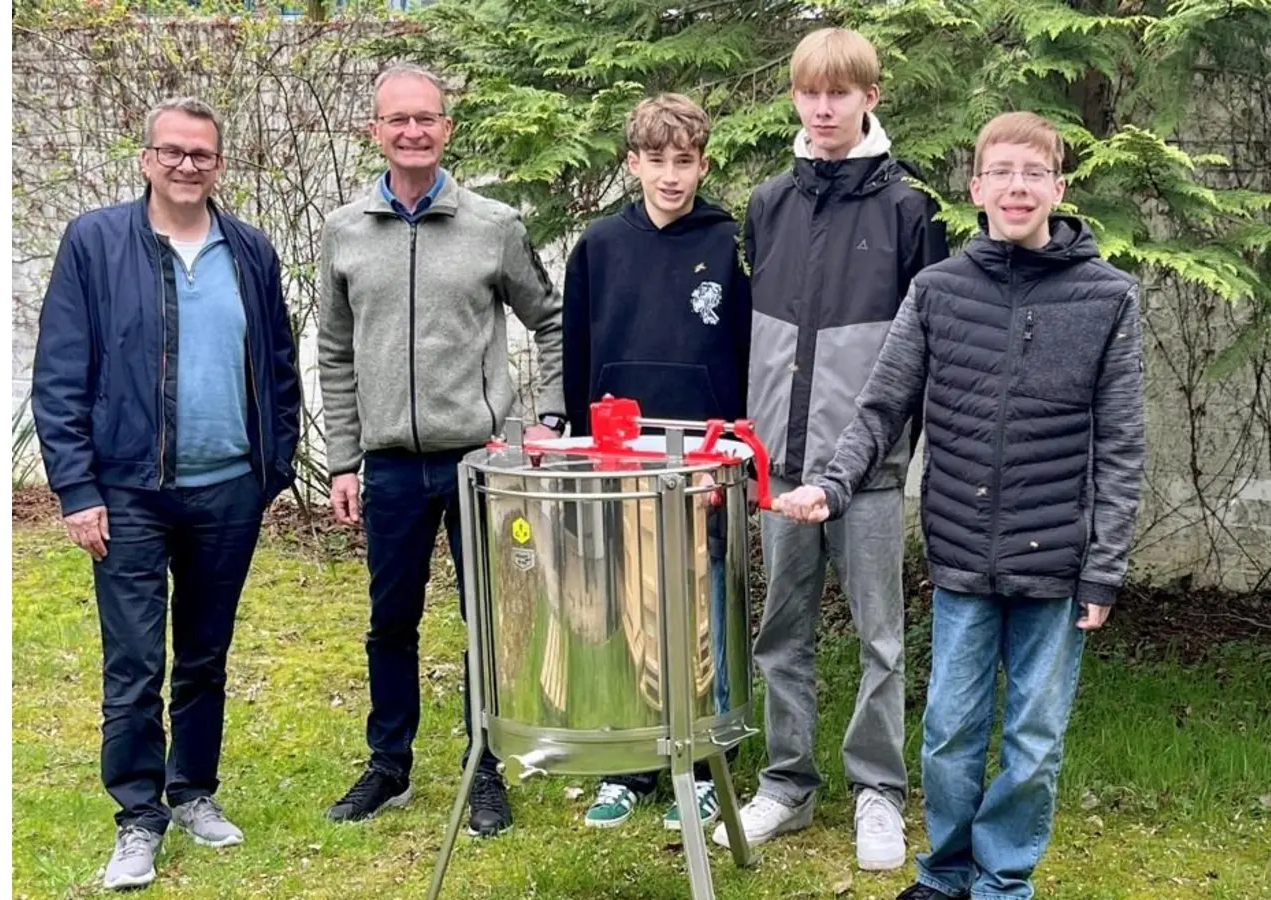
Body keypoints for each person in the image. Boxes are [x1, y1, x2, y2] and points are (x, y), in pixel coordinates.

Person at [772, 110, 1147, 900]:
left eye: (1033, 173)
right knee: (948, 734)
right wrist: (832, 486)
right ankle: (944, 875)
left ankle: (1003, 880)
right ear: (976, 188)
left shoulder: (1109, 297)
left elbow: (1120, 445)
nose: (1018, 186)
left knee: (1034, 742)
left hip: (1058, 561)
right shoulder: (937, 290)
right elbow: (881, 409)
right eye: (1002, 172)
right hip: (961, 554)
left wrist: (1104, 567)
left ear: (1058, 187)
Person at [31, 96, 302, 890]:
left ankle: (193, 792)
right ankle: (138, 818)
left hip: (229, 491)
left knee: (206, 655)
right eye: (173, 152)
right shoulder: (95, 242)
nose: (188, 166)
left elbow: (280, 367)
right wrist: (78, 490)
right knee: (135, 663)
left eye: (203, 155)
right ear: (147, 159)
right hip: (127, 495)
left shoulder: (249, 249)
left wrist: (272, 469)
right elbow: (59, 374)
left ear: (220, 165)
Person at [712, 27, 948, 872]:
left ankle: (878, 791)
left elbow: (921, 353)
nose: (822, 108)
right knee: (783, 630)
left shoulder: (907, 212)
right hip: (779, 466)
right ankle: (787, 782)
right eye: (810, 93)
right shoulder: (770, 204)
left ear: (869, 99)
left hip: (871, 475)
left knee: (882, 635)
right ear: (795, 98)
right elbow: (757, 338)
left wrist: (885, 451)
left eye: (839, 93)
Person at [316, 63, 565, 835]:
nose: (413, 131)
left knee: (486, 620)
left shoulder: (492, 225)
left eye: (426, 118)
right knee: (390, 620)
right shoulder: (345, 231)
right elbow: (334, 350)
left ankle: (484, 765)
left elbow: (551, 320)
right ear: (376, 131)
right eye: (398, 120)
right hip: (389, 465)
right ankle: (388, 764)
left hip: (479, 462)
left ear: (446, 129)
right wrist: (345, 459)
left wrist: (549, 418)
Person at [560, 93, 751, 831]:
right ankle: (630, 762)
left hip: (700, 461)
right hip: (617, 458)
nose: (672, 177)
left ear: (703, 164)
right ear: (632, 162)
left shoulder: (730, 243)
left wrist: (731, 447)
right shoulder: (600, 246)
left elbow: (743, 355)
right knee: (632, 610)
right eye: (657, 161)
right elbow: (578, 356)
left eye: (685, 162)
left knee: (699, 607)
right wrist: (582, 448)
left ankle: (704, 762)